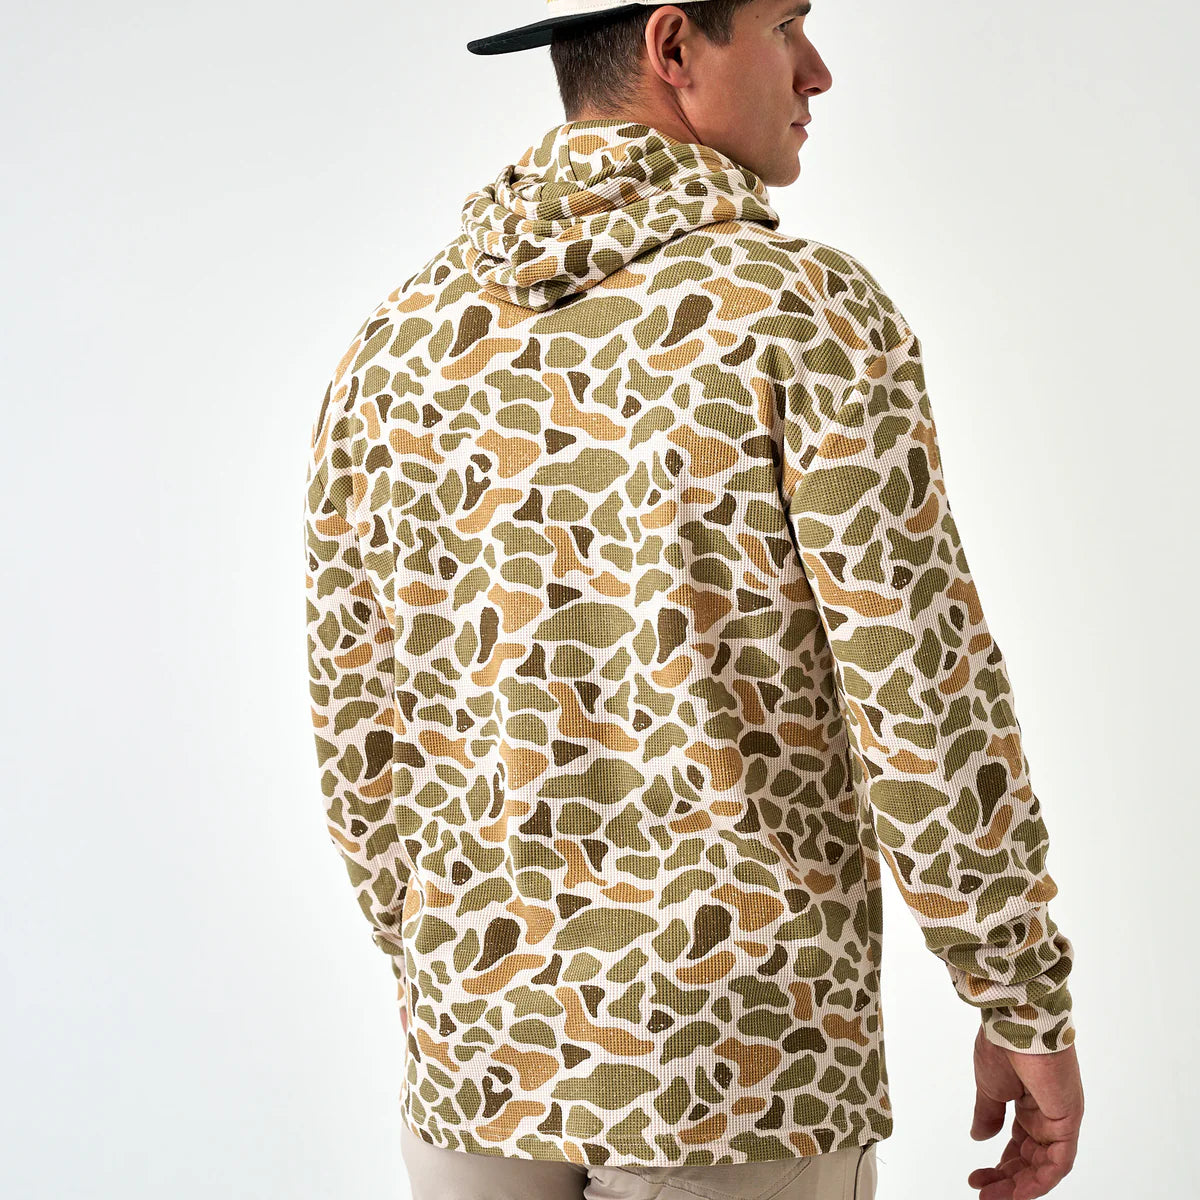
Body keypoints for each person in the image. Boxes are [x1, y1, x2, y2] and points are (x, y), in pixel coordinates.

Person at [302, 2, 1085, 1197]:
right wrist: (1018, 990)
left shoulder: (398, 346)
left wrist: (436, 966)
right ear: (674, 48)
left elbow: (358, 719)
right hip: (736, 1065)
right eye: (786, 25)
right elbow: (920, 690)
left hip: (474, 1062)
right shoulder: (799, 313)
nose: (818, 71)